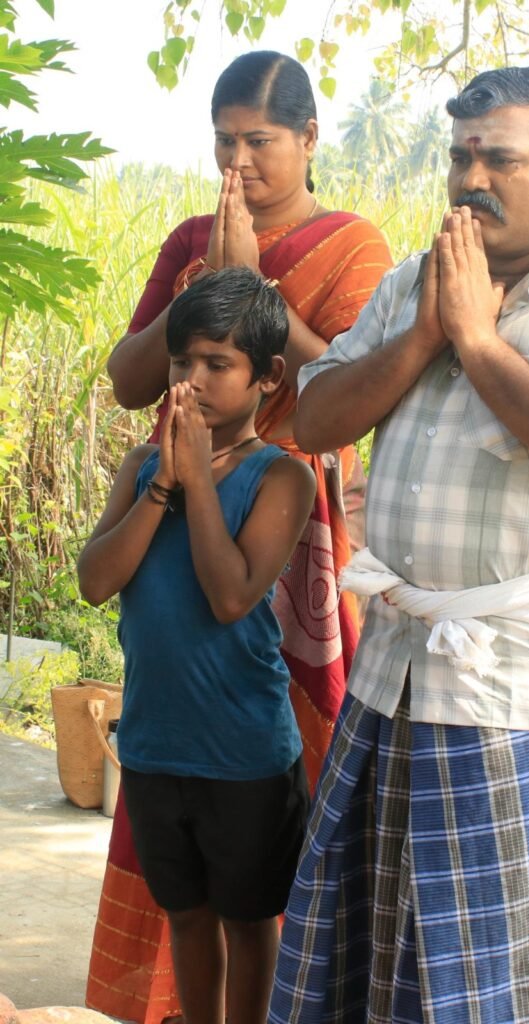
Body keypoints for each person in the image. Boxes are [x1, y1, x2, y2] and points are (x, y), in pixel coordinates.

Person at [269, 67, 529, 1024]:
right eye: (459, 157)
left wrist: (478, 341)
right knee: (376, 956)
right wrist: (425, 335)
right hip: (394, 677)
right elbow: (316, 417)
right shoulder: (411, 284)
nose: (471, 179)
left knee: (514, 981)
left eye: (500, 157)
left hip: (521, 696)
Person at [86, 51, 393, 1024]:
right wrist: (204, 282)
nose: (238, 161)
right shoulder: (189, 238)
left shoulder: (352, 247)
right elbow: (129, 379)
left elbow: (350, 382)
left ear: (308, 138)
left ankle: (296, 999)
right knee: (180, 793)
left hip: (288, 521)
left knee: (277, 778)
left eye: (259, 140)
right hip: (175, 499)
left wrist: (255, 285)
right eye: (223, 142)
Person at [78, 267, 316, 1024]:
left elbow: (230, 595)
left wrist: (200, 484)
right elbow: (95, 581)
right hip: (156, 744)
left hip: (244, 750)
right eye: (183, 361)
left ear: (267, 376)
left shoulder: (282, 478)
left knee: (248, 920)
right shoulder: (141, 468)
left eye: (219, 363)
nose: (194, 379)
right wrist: (162, 487)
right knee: (185, 914)